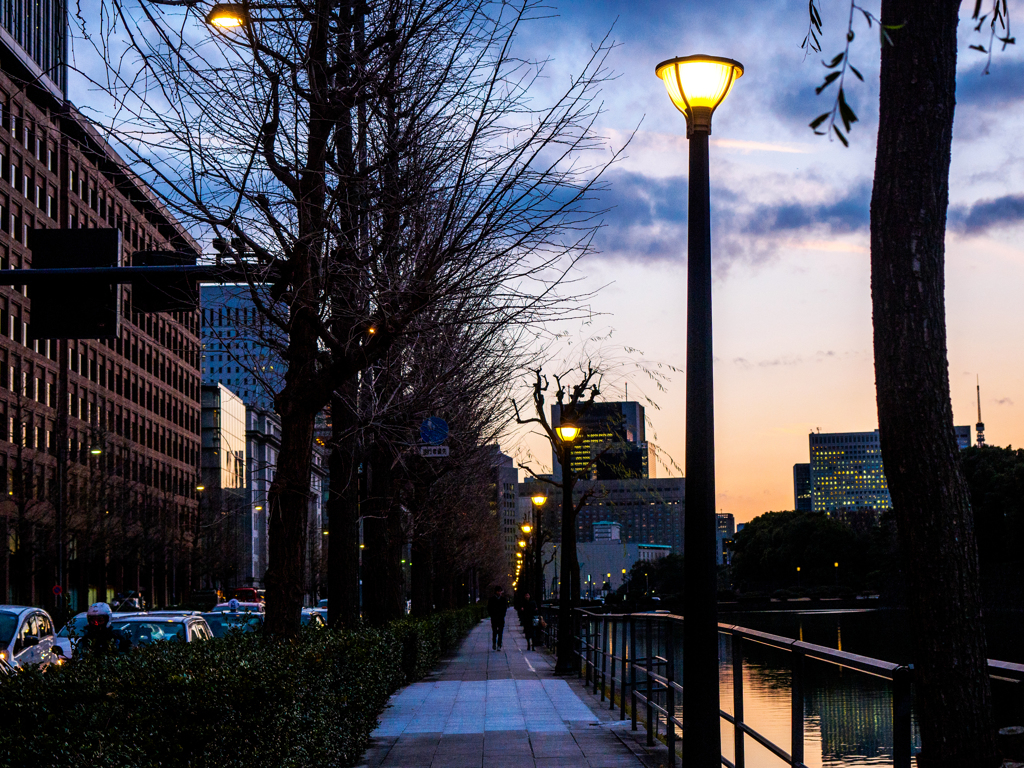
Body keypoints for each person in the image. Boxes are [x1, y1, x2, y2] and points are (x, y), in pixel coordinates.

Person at [487, 586, 509, 651]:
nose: (499, 593)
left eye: (500, 591)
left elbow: (505, 608)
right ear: (495, 592)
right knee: (494, 631)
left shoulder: (503, 599)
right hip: (494, 617)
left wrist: (503, 615)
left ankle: (499, 644)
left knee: (500, 632)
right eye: (498, 591)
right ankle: (494, 642)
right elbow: (489, 608)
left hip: (501, 618)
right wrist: (491, 615)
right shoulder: (491, 599)